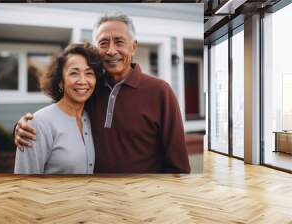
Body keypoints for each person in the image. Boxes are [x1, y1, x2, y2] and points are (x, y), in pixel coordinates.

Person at [14, 12, 191, 173]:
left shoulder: (160, 92)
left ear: (133, 47)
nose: (111, 50)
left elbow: (178, 167)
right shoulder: (91, 89)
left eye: (119, 42)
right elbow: (59, 115)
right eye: (103, 43)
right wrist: (23, 126)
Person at [14, 43, 103, 174]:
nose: (83, 81)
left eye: (89, 73)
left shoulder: (90, 118)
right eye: (74, 73)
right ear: (61, 81)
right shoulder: (37, 124)